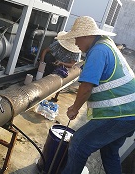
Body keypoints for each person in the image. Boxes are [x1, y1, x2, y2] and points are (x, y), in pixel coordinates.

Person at [57, 16, 135, 174]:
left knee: (79, 143)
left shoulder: (98, 51)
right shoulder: (105, 45)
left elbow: (86, 87)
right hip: (130, 115)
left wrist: (74, 108)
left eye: (77, 39)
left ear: (86, 35)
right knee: (110, 152)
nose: (77, 44)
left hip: (119, 114)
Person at [40, 31, 81, 101]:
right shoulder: (58, 44)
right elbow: (45, 50)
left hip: (65, 66)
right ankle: (43, 83)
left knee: (61, 76)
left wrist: (61, 63)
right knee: (48, 57)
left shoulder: (75, 52)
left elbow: (71, 64)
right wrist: (42, 61)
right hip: (55, 61)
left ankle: (55, 96)